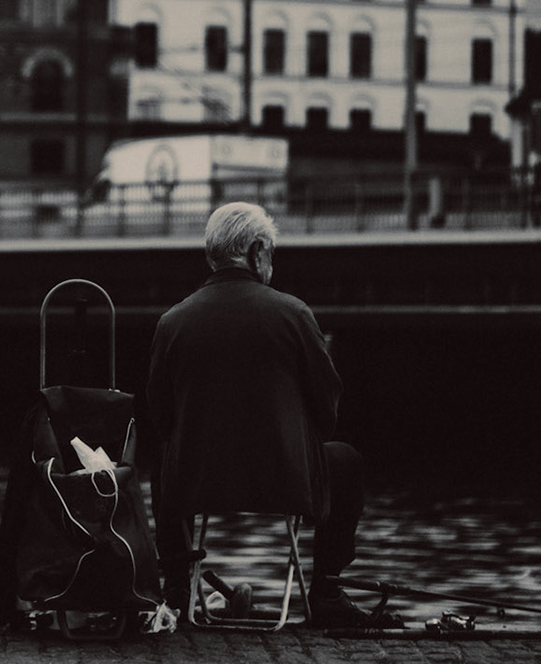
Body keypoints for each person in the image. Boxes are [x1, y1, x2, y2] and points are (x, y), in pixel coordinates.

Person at [144, 201, 391, 628]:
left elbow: (160, 417)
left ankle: (177, 590)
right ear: (258, 251)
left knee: (165, 460)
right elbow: (326, 411)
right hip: (285, 481)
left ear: (211, 256)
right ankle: (327, 590)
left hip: (197, 481)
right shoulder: (294, 314)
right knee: (346, 460)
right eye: (271, 253)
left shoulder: (173, 322)